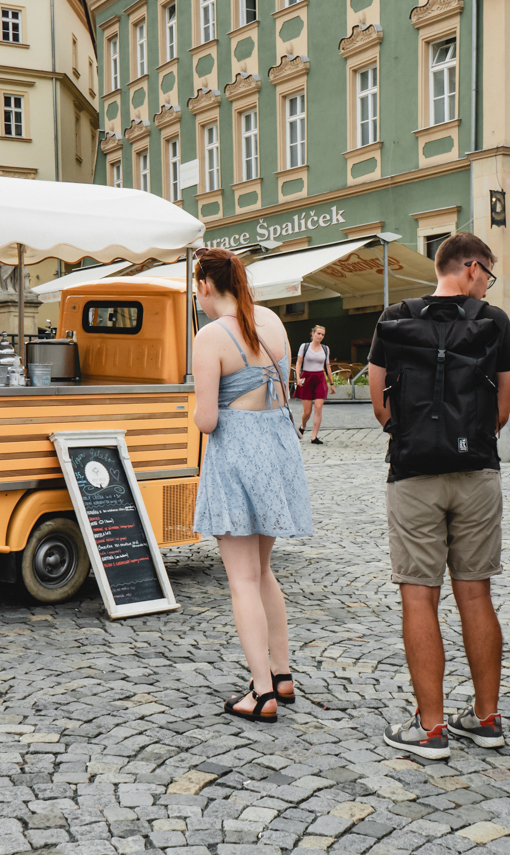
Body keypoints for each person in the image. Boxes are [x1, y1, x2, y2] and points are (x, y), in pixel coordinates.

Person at [368, 233, 510, 759]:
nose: (487, 284)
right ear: (471, 267)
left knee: (418, 595)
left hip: (412, 473)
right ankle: (486, 718)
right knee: (476, 593)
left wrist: (416, 436)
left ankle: (430, 729)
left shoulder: (393, 316)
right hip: (476, 469)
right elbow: (502, 412)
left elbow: (378, 403)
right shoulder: (494, 321)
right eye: (488, 274)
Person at [191, 248, 313, 723]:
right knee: (263, 572)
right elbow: (284, 388)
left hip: (238, 453)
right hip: (276, 448)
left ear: (204, 285)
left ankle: (260, 693)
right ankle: (281, 675)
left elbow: (205, 420)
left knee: (242, 579)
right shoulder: (270, 321)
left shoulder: (210, 336)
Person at [293, 325, 333, 445]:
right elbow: (299, 363)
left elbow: (327, 366)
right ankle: (303, 425)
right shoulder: (304, 347)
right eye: (318, 333)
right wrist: (298, 378)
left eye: (322, 334)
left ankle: (314, 437)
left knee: (319, 407)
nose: (320, 336)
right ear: (313, 334)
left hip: (320, 378)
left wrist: (332, 383)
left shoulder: (325, 349)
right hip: (307, 378)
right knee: (307, 412)